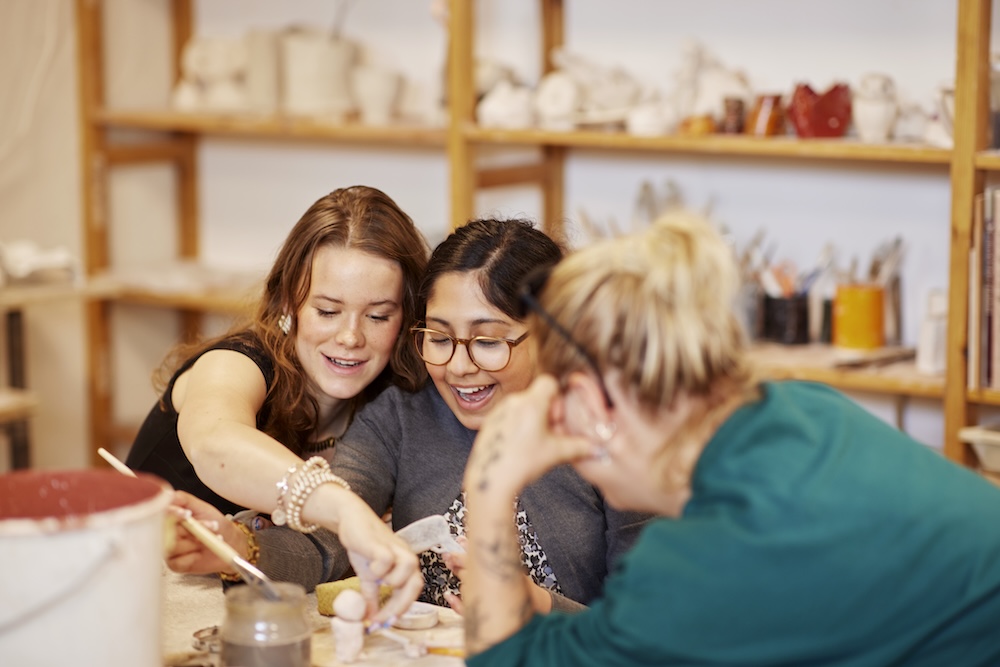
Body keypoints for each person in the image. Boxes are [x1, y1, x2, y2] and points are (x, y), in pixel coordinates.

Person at [460, 212, 1000, 666]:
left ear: (593, 401)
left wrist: (490, 483)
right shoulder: (805, 407)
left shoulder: (706, 559)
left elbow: (505, 658)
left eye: (557, 409)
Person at [169, 217, 650, 614]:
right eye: (439, 338)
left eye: (487, 341)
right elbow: (329, 545)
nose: (459, 368)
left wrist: (536, 604)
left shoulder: (618, 437)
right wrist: (237, 547)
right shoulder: (402, 413)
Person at [127, 185, 429, 620]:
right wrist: (343, 509)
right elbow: (215, 443)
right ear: (290, 301)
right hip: (141, 597)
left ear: (406, 317)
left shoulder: (388, 400)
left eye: (378, 315)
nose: (351, 337)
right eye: (327, 311)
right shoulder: (239, 363)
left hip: (248, 617)